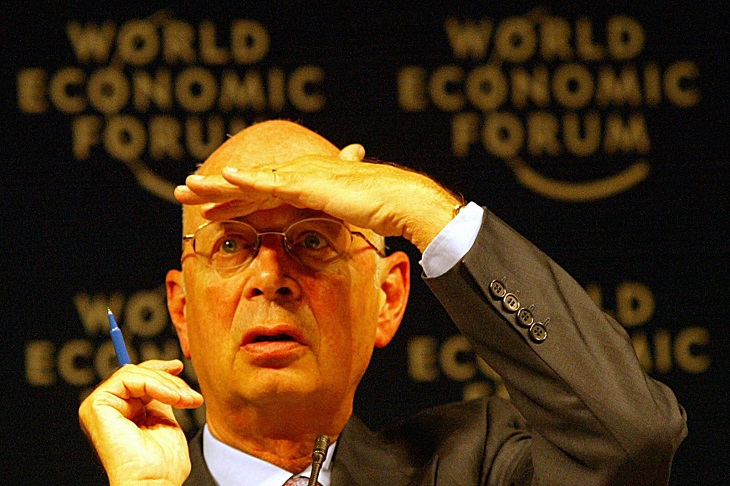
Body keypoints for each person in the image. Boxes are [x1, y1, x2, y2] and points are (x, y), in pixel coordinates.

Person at [79, 120, 687, 485]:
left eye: (312, 242)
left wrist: (420, 206)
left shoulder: (475, 465)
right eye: (232, 244)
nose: (270, 276)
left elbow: (628, 439)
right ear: (182, 311)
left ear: (388, 298)